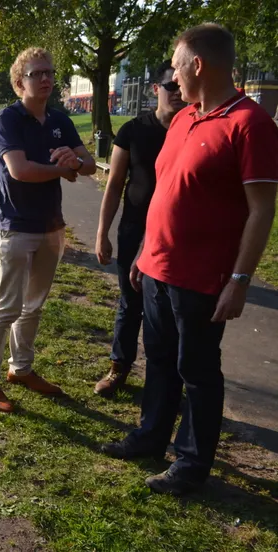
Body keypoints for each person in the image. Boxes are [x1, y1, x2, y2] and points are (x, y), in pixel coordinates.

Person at [101, 24, 278, 495]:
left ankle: (192, 463)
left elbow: (261, 208)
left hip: (203, 277)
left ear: (197, 65)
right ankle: (151, 436)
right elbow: (164, 192)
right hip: (156, 268)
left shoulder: (249, 123)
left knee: (196, 370)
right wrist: (141, 252)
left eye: (177, 66)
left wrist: (240, 279)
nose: (173, 77)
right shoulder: (182, 119)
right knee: (157, 359)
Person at [0, 47, 96, 413]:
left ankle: (21, 369)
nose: (45, 79)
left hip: (51, 226)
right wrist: (63, 168)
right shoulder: (7, 120)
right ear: (18, 83)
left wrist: (74, 161)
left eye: (49, 73)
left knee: (35, 306)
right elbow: (20, 170)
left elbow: (89, 164)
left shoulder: (59, 119)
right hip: (16, 227)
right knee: (7, 306)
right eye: (36, 74)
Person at [93, 61, 186, 397]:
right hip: (134, 229)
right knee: (130, 304)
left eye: (179, 85)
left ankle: (166, 382)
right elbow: (115, 183)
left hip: (176, 235)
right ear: (155, 89)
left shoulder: (192, 129)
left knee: (171, 311)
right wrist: (103, 232)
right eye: (169, 87)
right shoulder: (133, 130)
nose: (176, 93)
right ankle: (119, 368)